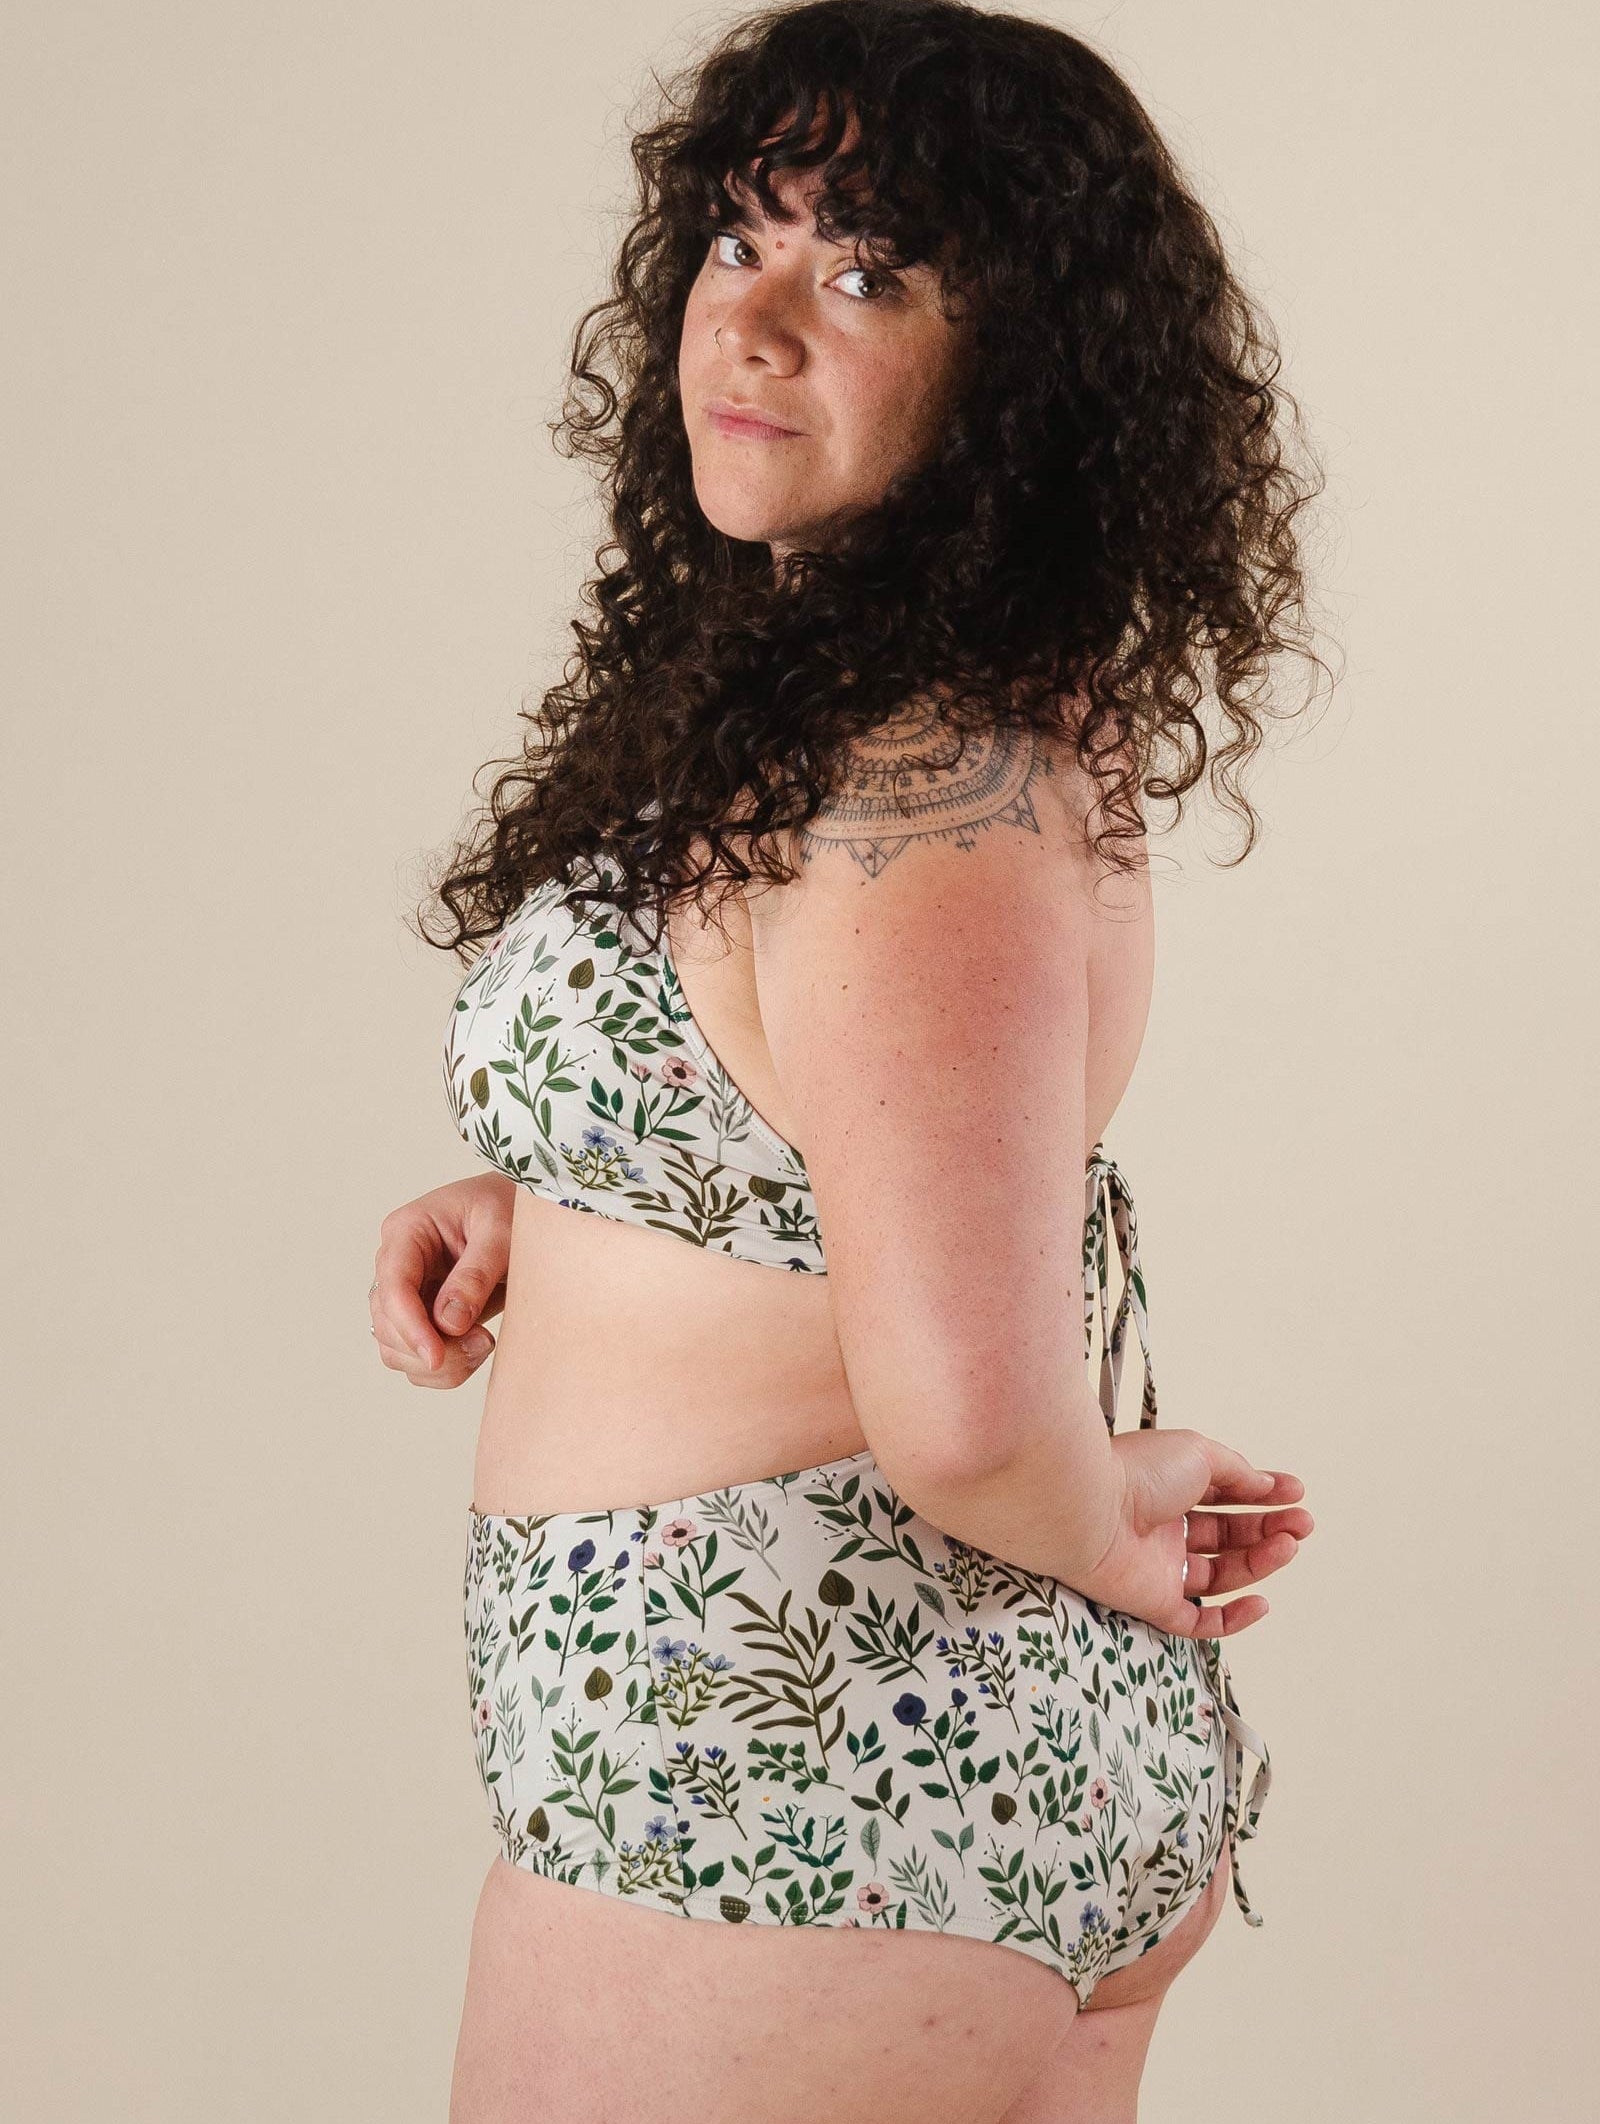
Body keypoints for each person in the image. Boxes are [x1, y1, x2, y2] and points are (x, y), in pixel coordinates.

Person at [371, 4, 1325, 2116]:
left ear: (1023, 378)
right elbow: (828, 1134)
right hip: (843, 1786)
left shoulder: (922, 799)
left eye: (868, 271)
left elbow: (975, 1414)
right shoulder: (870, 730)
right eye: (737, 241)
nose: (759, 319)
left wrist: (1106, 1526)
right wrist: (565, 1191)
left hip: (798, 1784)